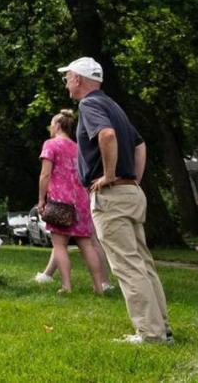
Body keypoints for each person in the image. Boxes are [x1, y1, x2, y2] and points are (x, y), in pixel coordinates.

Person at [60, 56, 172, 344]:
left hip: (112, 196)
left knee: (127, 265)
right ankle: (161, 328)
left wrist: (110, 176)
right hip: (130, 192)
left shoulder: (89, 104)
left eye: (68, 76)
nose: (66, 82)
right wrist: (132, 179)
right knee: (143, 262)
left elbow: (106, 136)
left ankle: (150, 334)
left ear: (79, 79)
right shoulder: (113, 105)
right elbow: (139, 144)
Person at [34, 109, 109, 294]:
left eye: (52, 124)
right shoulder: (78, 148)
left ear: (58, 125)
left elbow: (45, 174)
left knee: (59, 245)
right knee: (87, 245)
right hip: (81, 201)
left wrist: (41, 199)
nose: (51, 127)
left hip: (60, 201)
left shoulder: (51, 144)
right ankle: (99, 286)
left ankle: (66, 286)